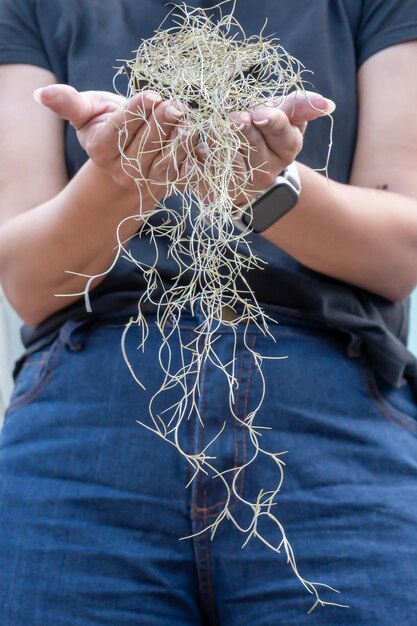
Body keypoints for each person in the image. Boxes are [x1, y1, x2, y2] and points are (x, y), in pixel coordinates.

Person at [0, 0, 417, 624]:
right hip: (94, 407)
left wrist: (266, 188)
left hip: (329, 401)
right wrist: (124, 179)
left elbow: (399, 253)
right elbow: (29, 282)